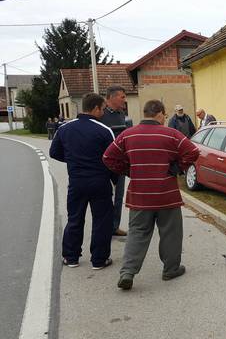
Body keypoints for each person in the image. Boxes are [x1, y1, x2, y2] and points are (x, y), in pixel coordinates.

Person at [103, 99, 200, 290]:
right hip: (167, 194)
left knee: (137, 233)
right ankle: (170, 269)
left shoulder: (127, 135)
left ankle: (128, 272)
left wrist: (128, 170)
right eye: (164, 115)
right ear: (160, 114)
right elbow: (193, 152)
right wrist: (177, 167)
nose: (165, 118)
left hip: (140, 195)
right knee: (170, 233)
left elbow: (108, 157)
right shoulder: (172, 134)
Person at [49, 93, 114, 270]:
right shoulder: (104, 130)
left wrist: (72, 160)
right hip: (100, 181)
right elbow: (112, 158)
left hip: (77, 181)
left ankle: (71, 257)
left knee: (75, 218)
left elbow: (54, 152)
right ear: (95, 108)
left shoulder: (64, 129)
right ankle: (99, 260)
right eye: (102, 109)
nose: (103, 112)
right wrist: (113, 179)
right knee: (102, 220)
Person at [99, 85, 130, 237]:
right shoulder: (100, 114)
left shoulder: (122, 114)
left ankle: (114, 226)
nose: (125, 100)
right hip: (104, 164)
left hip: (120, 163)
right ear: (111, 97)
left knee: (118, 197)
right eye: (122, 97)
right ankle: (104, 227)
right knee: (105, 197)